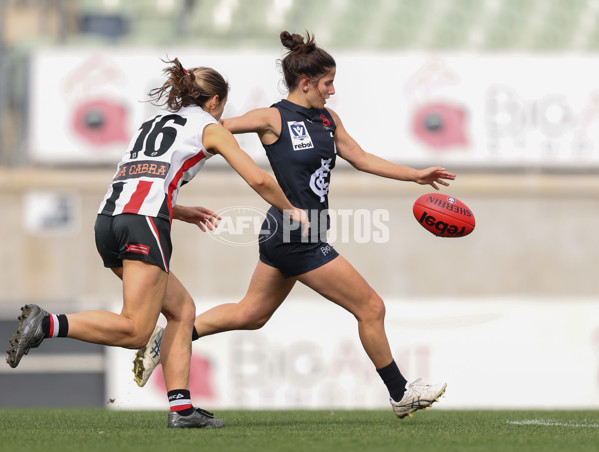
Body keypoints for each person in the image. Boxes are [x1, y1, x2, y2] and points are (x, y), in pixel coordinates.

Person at [133, 32, 456, 420]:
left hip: (296, 233)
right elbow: (211, 129)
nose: (332, 91)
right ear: (306, 83)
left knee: (250, 314)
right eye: (327, 83)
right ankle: (401, 393)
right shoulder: (272, 117)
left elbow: (362, 158)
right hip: (292, 234)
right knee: (371, 307)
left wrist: (415, 176)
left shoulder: (327, 119)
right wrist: (168, 145)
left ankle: (169, 339)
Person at [5, 57, 307, 429]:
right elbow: (258, 180)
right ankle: (48, 323)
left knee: (182, 311)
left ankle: (182, 410)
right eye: (222, 107)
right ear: (214, 102)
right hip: (144, 225)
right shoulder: (210, 128)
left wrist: (180, 210)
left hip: (108, 222)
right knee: (135, 330)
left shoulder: (151, 124)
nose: (220, 113)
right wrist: (292, 208)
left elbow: (139, 179)